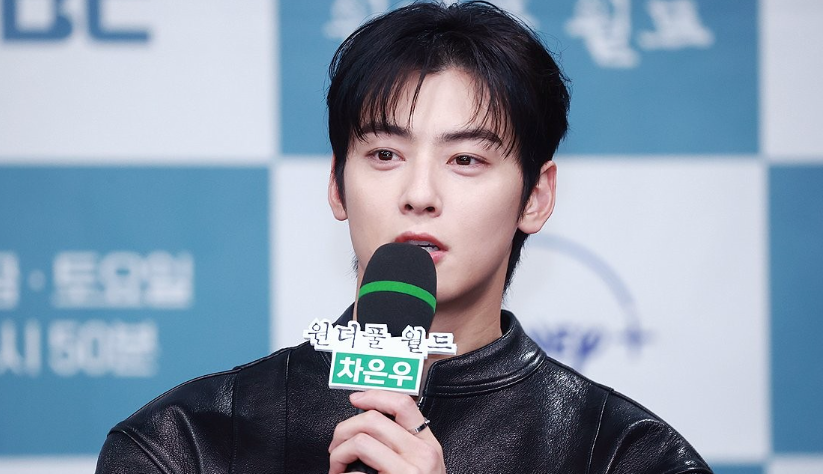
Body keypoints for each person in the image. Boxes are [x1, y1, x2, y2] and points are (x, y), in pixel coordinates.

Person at [96, 2, 713, 473]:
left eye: (465, 159)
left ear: (536, 196)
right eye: (385, 154)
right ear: (337, 185)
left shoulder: (627, 455)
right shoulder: (186, 443)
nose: (419, 194)